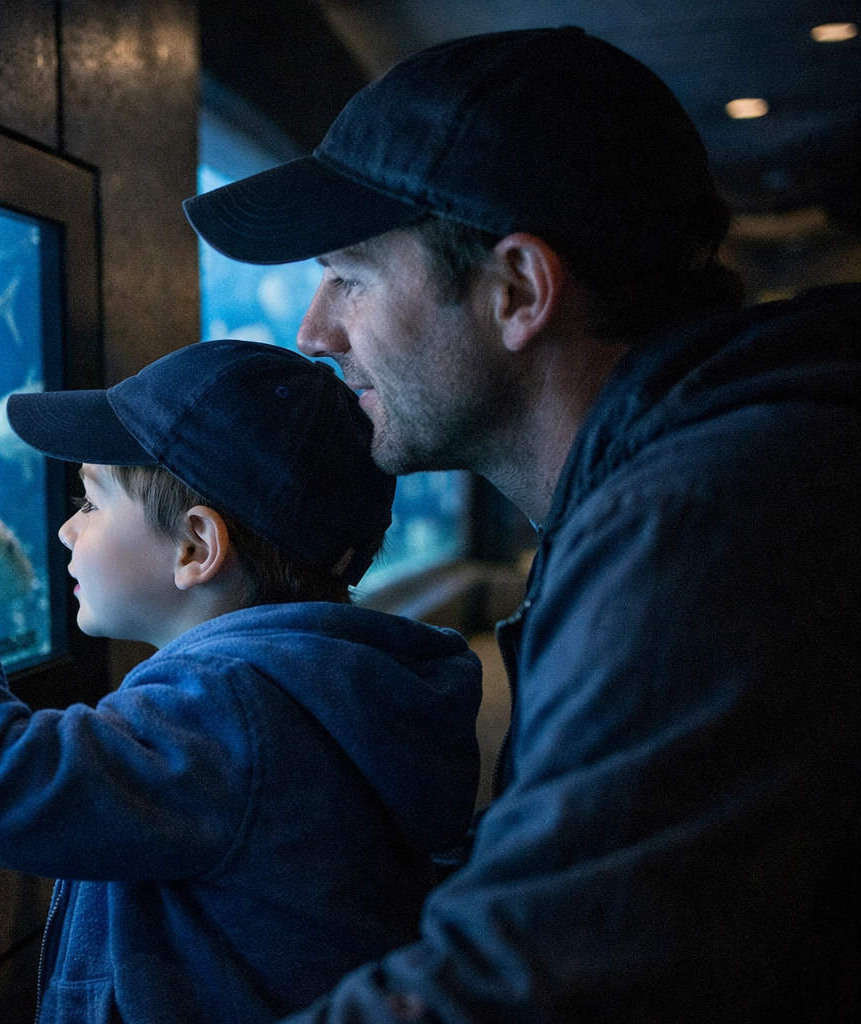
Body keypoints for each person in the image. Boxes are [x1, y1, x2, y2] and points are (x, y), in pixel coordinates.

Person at [184, 26, 860, 1024]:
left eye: (351, 278)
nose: (313, 332)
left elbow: (518, 987)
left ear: (518, 291)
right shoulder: (663, 479)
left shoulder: (700, 523)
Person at [0, 340, 484, 1024]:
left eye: (90, 502)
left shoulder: (230, 713)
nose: (63, 530)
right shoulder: (334, 688)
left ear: (195, 547)